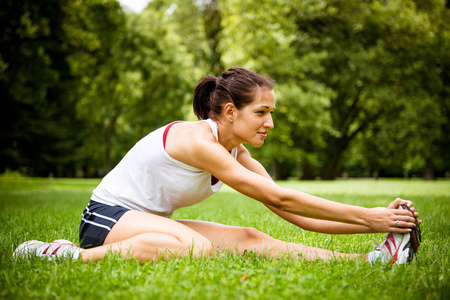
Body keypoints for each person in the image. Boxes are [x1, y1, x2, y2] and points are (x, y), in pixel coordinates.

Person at [14, 68, 421, 265]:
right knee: (197, 248)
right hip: (106, 219)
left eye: (271, 112)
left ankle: (371, 261)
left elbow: (295, 213)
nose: (271, 123)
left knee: (247, 235)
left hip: (146, 221)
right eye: (262, 112)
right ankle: (64, 255)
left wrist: (385, 224)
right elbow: (278, 194)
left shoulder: (237, 152)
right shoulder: (199, 141)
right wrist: (371, 216)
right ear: (229, 111)